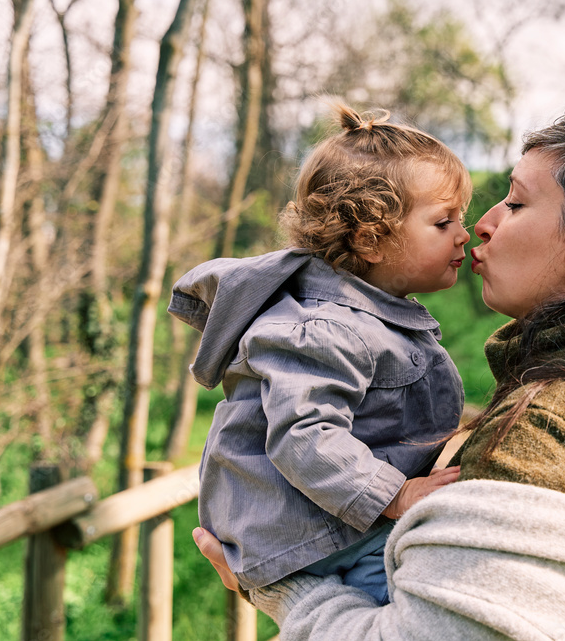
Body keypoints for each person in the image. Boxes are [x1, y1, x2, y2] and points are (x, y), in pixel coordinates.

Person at [194, 110, 565, 641]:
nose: (480, 225)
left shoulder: (552, 434)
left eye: (517, 203)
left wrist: (290, 596)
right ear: (372, 238)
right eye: (446, 218)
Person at [171, 103, 471, 605]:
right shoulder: (326, 328)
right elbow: (304, 434)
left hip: (331, 521)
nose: (464, 233)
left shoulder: (367, 315)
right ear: (371, 240)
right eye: (444, 222)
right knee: (412, 607)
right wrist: (396, 495)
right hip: (305, 533)